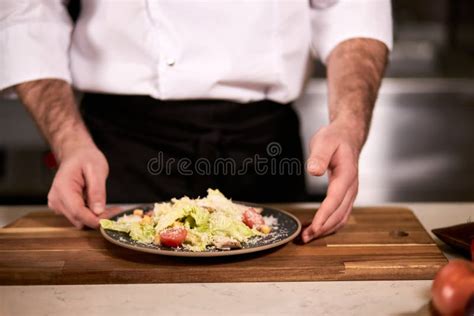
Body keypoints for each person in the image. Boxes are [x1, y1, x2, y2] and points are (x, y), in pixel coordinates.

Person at [0, 0, 392, 243]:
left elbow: (352, 8)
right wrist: (69, 141)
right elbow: (29, 8)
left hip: (264, 147)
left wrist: (349, 124)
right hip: (118, 150)